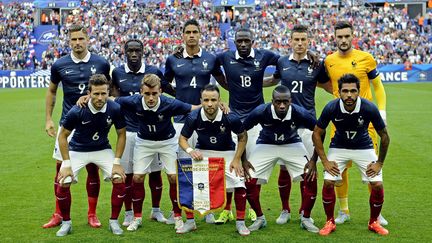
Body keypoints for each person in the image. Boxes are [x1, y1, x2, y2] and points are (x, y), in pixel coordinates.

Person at [44, 24, 111, 228]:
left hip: (94, 126)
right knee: (60, 170)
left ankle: (92, 214)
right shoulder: (59, 65)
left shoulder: (101, 62)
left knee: (93, 168)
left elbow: (108, 91)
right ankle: (58, 213)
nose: (77, 43)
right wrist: (48, 118)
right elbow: (52, 91)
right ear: (68, 41)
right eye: (73, 39)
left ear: (87, 39)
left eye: (81, 39)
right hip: (68, 126)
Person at [264, 24, 332, 224]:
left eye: (303, 40)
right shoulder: (282, 62)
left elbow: (329, 86)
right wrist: (245, 82)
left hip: (309, 124)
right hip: (285, 124)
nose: (300, 43)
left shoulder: (316, 64)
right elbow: (273, 80)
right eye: (296, 39)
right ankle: (285, 209)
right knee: (284, 168)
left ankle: (305, 211)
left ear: (308, 41)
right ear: (290, 41)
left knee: (309, 169)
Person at [114, 74, 199, 232]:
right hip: (144, 142)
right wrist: (87, 97)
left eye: (154, 93)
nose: (151, 98)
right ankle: (137, 217)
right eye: (147, 94)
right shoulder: (133, 101)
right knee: (138, 177)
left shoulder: (169, 103)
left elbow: (192, 108)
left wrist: (215, 105)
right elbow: (113, 100)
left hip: (167, 142)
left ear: (160, 91)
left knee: (174, 177)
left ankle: (178, 217)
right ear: (141, 92)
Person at [323, 21, 388, 225]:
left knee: (372, 167)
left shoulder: (366, 58)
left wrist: (382, 112)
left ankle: (377, 214)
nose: (343, 40)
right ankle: (344, 210)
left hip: (365, 123)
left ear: (353, 36)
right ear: (334, 37)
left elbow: (378, 86)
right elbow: (326, 84)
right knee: (339, 170)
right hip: (340, 121)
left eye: (346, 36)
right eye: (339, 37)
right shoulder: (329, 61)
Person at [214, 27, 280, 224]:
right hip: (234, 118)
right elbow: (210, 64)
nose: (242, 44)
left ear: (253, 41)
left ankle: (252, 207)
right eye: (239, 41)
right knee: (232, 166)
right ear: (234, 41)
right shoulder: (226, 57)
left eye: (246, 41)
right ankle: (227, 209)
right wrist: (227, 85)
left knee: (252, 167)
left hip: (257, 120)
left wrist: (267, 82)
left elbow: (284, 64)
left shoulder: (264, 56)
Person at [164, 19, 227, 226]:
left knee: (204, 165)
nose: (191, 35)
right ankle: (186, 212)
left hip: (206, 120)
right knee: (184, 167)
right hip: (181, 120)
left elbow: (222, 82)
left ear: (200, 34)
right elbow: (165, 83)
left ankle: (206, 208)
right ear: (182, 35)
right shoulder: (173, 59)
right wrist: (180, 100)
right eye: (188, 32)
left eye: (195, 32)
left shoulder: (210, 58)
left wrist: (221, 101)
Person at [312, 74, 390, 236]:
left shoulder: (368, 107)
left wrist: (379, 163)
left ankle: (373, 222)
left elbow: (384, 136)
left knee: (377, 184)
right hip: (339, 147)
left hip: (364, 147)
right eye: (345, 91)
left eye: (353, 91)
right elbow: (317, 133)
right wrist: (325, 161)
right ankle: (330, 221)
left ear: (359, 92)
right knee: (328, 182)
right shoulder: (331, 107)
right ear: (339, 92)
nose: (349, 95)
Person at [238, 85, 320, 233]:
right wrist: (243, 159)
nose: (281, 106)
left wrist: (313, 159)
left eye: (285, 102)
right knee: (248, 179)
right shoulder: (261, 111)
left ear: (290, 101)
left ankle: (306, 218)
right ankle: (260, 218)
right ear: (272, 101)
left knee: (311, 176)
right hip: (266, 143)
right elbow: (241, 131)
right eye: (278, 102)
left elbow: (319, 131)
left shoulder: (300, 112)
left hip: (292, 143)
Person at [55, 74, 127, 236]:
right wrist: (66, 164)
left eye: (103, 93)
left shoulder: (114, 108)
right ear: (89, 93)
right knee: (63, 182)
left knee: (119, 179)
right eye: (96, 93)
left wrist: (116, 161)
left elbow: (121, 134)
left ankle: (113, 222)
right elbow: (62, 136)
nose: (100, 97)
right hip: (78, 150)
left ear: (109, 93)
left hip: (102, 149)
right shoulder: (77, 110)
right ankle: (66, 223)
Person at [178, 84, 249, 235]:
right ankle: (190, 222)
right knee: (189, 183)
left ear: (219, 101)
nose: (209, 104)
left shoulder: (230, 116)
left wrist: (237, 159)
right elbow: (182, 139)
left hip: (227, 152)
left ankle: (241, 223)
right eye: (206, 100)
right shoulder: (193, 117)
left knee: (239, 183)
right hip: (203, 152)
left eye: (213, 100)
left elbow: (243, 137)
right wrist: (191, 151)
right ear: (201, 101)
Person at [111, 39, 167, 227]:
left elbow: (164, 97)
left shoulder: (155, 72)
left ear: (143, 51)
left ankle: (156, 211)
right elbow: (112, 97)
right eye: (130, 51)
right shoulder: (117, 73)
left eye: (137, 50)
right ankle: (128, 213)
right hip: (127, 132)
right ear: (124, 52)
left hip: (152, 132)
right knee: (128, 175)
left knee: (155, 173)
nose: (134, 54)